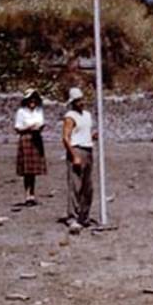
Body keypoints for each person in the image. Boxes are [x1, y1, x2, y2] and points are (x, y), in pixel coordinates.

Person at [62, 86, 97, 233]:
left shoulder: (87, 115)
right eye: (77, 101)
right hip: (76, 150)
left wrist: (93, 136)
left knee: (88, 187)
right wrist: (73, 155)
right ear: (72, 102)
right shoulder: (70, 116)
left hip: (88, 149)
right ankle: (73, 218)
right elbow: (65, 137)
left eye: (81, 99)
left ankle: (84, 216)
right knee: (75, 185)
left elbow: (85, 132)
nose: (80, 102)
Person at [14, 88, 47, 206]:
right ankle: (27, 194)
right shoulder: (21, 112)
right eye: (30, 99)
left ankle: (32, 194)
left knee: (33, 170)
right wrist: (29, 128)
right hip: (26, 138)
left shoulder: (39, 111)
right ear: (26, 101)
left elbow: (41, 123)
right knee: (27, 170)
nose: (32, 101)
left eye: (34, 99)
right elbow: (17, 128)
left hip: (36, 138)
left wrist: (39, 127)